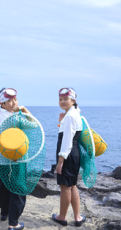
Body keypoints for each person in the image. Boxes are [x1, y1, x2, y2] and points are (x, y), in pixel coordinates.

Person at [0, 88, 31, 230]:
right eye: (8, 101)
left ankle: (4, 212)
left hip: (2, 158)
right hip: (15, 158)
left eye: (14, 99)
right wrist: (24, 109)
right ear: (2, 104)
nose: (13, 102)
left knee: (5, 185)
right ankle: (13, 223)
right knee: (18, 187)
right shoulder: (14, 117)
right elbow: (33, 124)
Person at [51, 88, 86, 227]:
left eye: (65, 99)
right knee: (72, 185)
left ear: (73, 100)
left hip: (68, 155)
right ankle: (77, 217)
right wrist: (61, 121)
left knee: (65, 186)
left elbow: (66, 141)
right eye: (60, 99)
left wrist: (60, 161)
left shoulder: (70, 116)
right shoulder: (73, 113)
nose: (62, 101)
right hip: (74, 153)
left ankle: (62, 217)